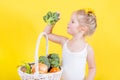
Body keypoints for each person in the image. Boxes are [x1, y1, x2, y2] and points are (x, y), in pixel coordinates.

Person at [44, 9, 97, 80]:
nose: (68, 23)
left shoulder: (87, 49)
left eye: (72, 21)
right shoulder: (64, 41)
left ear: (82, 29)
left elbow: (92, 68)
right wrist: (52, 20)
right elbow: (46, 34)